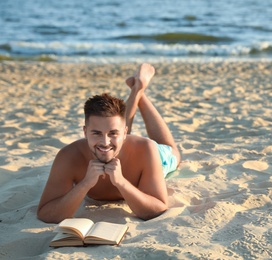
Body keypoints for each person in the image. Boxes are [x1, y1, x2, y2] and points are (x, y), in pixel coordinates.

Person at [37, 63, 181, 223]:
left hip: (147, 154)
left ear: (126, 133)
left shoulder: (146, 149)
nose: (104, 142)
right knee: (114, 141)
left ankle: (140, 92)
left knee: (174, 152)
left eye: (112, 133)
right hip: (123, 142)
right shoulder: (69, 156)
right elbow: (45, 213)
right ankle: (136, 90)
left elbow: (158, 208)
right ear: (85, 132)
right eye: (96, 133)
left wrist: (121, 182)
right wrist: (85, 184)